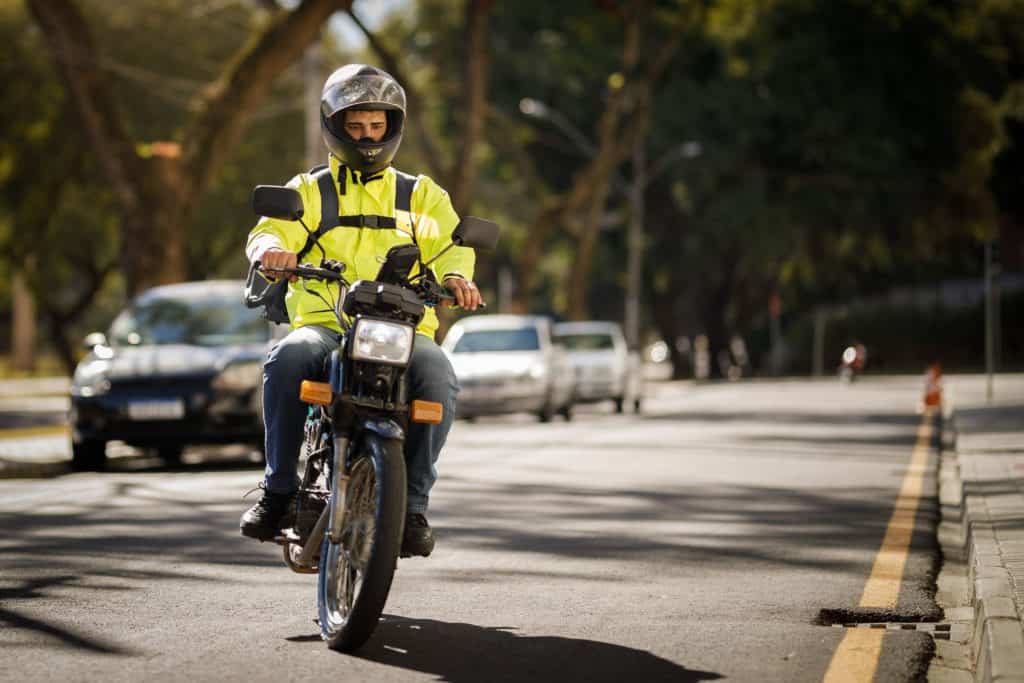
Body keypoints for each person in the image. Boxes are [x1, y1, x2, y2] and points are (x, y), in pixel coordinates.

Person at [239, 64, 483, 557]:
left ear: (393, 126)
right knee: (285, 360)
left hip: (404, 330)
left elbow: (451, 248)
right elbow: (269, 231)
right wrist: (270, 253)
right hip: (327, 325)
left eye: (377, 126)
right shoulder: (310, 190)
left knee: (438, 375)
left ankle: (412, 507)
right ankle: (279, 491)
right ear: (334, 126)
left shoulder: (422, 194)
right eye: (356, 126)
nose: (368, 136)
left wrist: (457, 276)